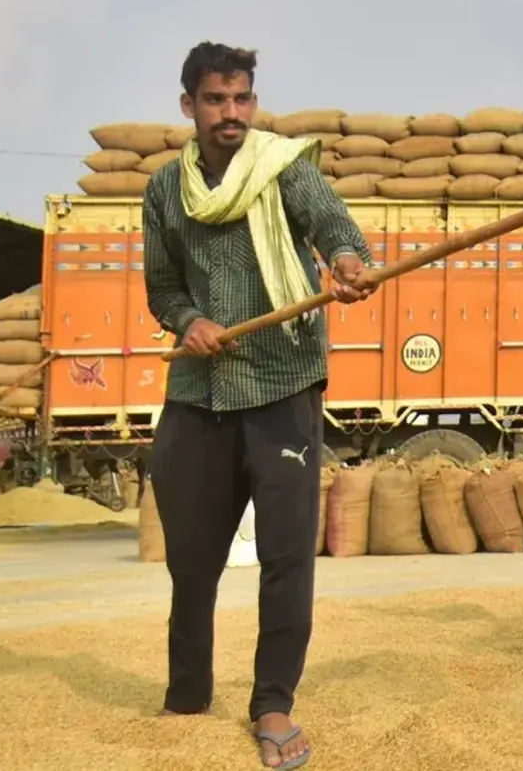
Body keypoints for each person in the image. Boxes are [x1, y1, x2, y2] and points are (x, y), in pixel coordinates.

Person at [144, 42, 376, 770]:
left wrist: (345, 264)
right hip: (199, 395)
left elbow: (334, 227)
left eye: (242, 98)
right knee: (192, 559)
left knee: (285, 558)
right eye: (216, 100)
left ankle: (273, 702)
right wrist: (188, 322)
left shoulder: (285, 169)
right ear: (189, 105)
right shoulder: (164, 191)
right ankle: (187, 695)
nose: (232, 113)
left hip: (283, 385)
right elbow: (163, 286)